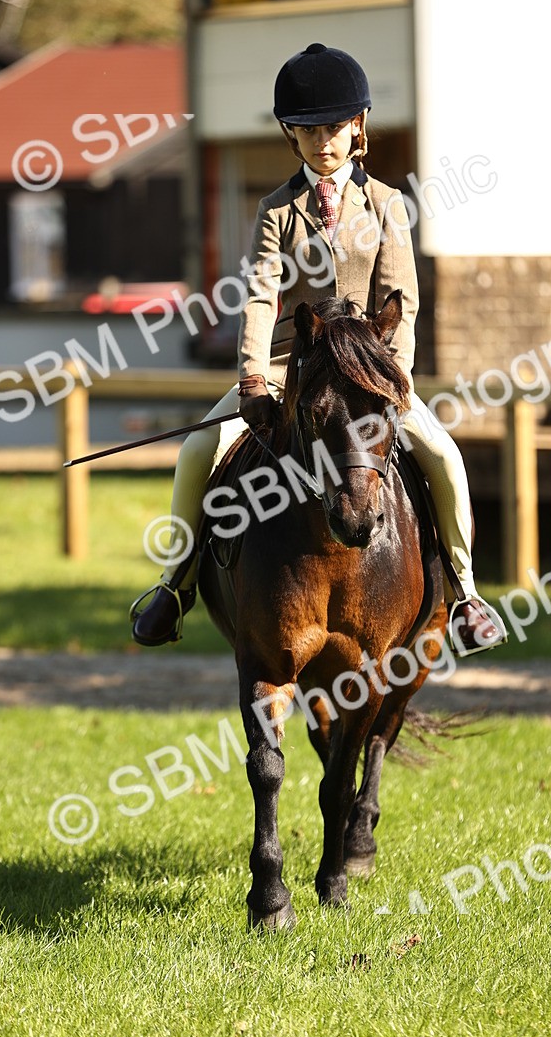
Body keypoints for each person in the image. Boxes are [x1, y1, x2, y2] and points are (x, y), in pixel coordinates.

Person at [130, 43, 506, 657]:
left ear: (356, 127)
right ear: (290, 134)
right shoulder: (276, 209)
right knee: (199, 448)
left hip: (368, 372)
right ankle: (175, 584)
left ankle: (464, 593)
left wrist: (395, 380)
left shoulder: (386, 205)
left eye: (332, 128)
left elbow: (401, 302)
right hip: (290, 366)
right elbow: (258, 299)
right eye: (307, 130)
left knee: (443, 454)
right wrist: (254, 381)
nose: (321, 142)